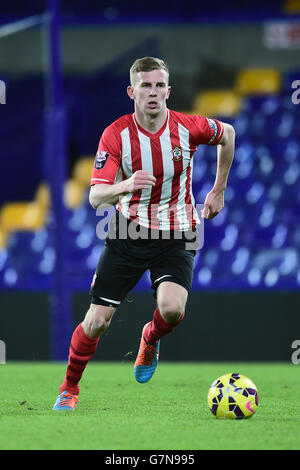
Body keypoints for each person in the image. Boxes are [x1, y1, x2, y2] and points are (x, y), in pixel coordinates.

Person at [53, 57, 235, 411]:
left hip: (179, 230)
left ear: (168, 90)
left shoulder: (188, 127)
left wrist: (218, 190)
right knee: (97, 322)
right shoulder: (116, 134)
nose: (153, 93)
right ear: (131, 91)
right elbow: (94, 196)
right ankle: (69, 388)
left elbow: (227, 134)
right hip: (127, 231)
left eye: (159, 86)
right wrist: (125, 185)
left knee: (171, 309)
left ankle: (150, 338)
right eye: (145, 86)